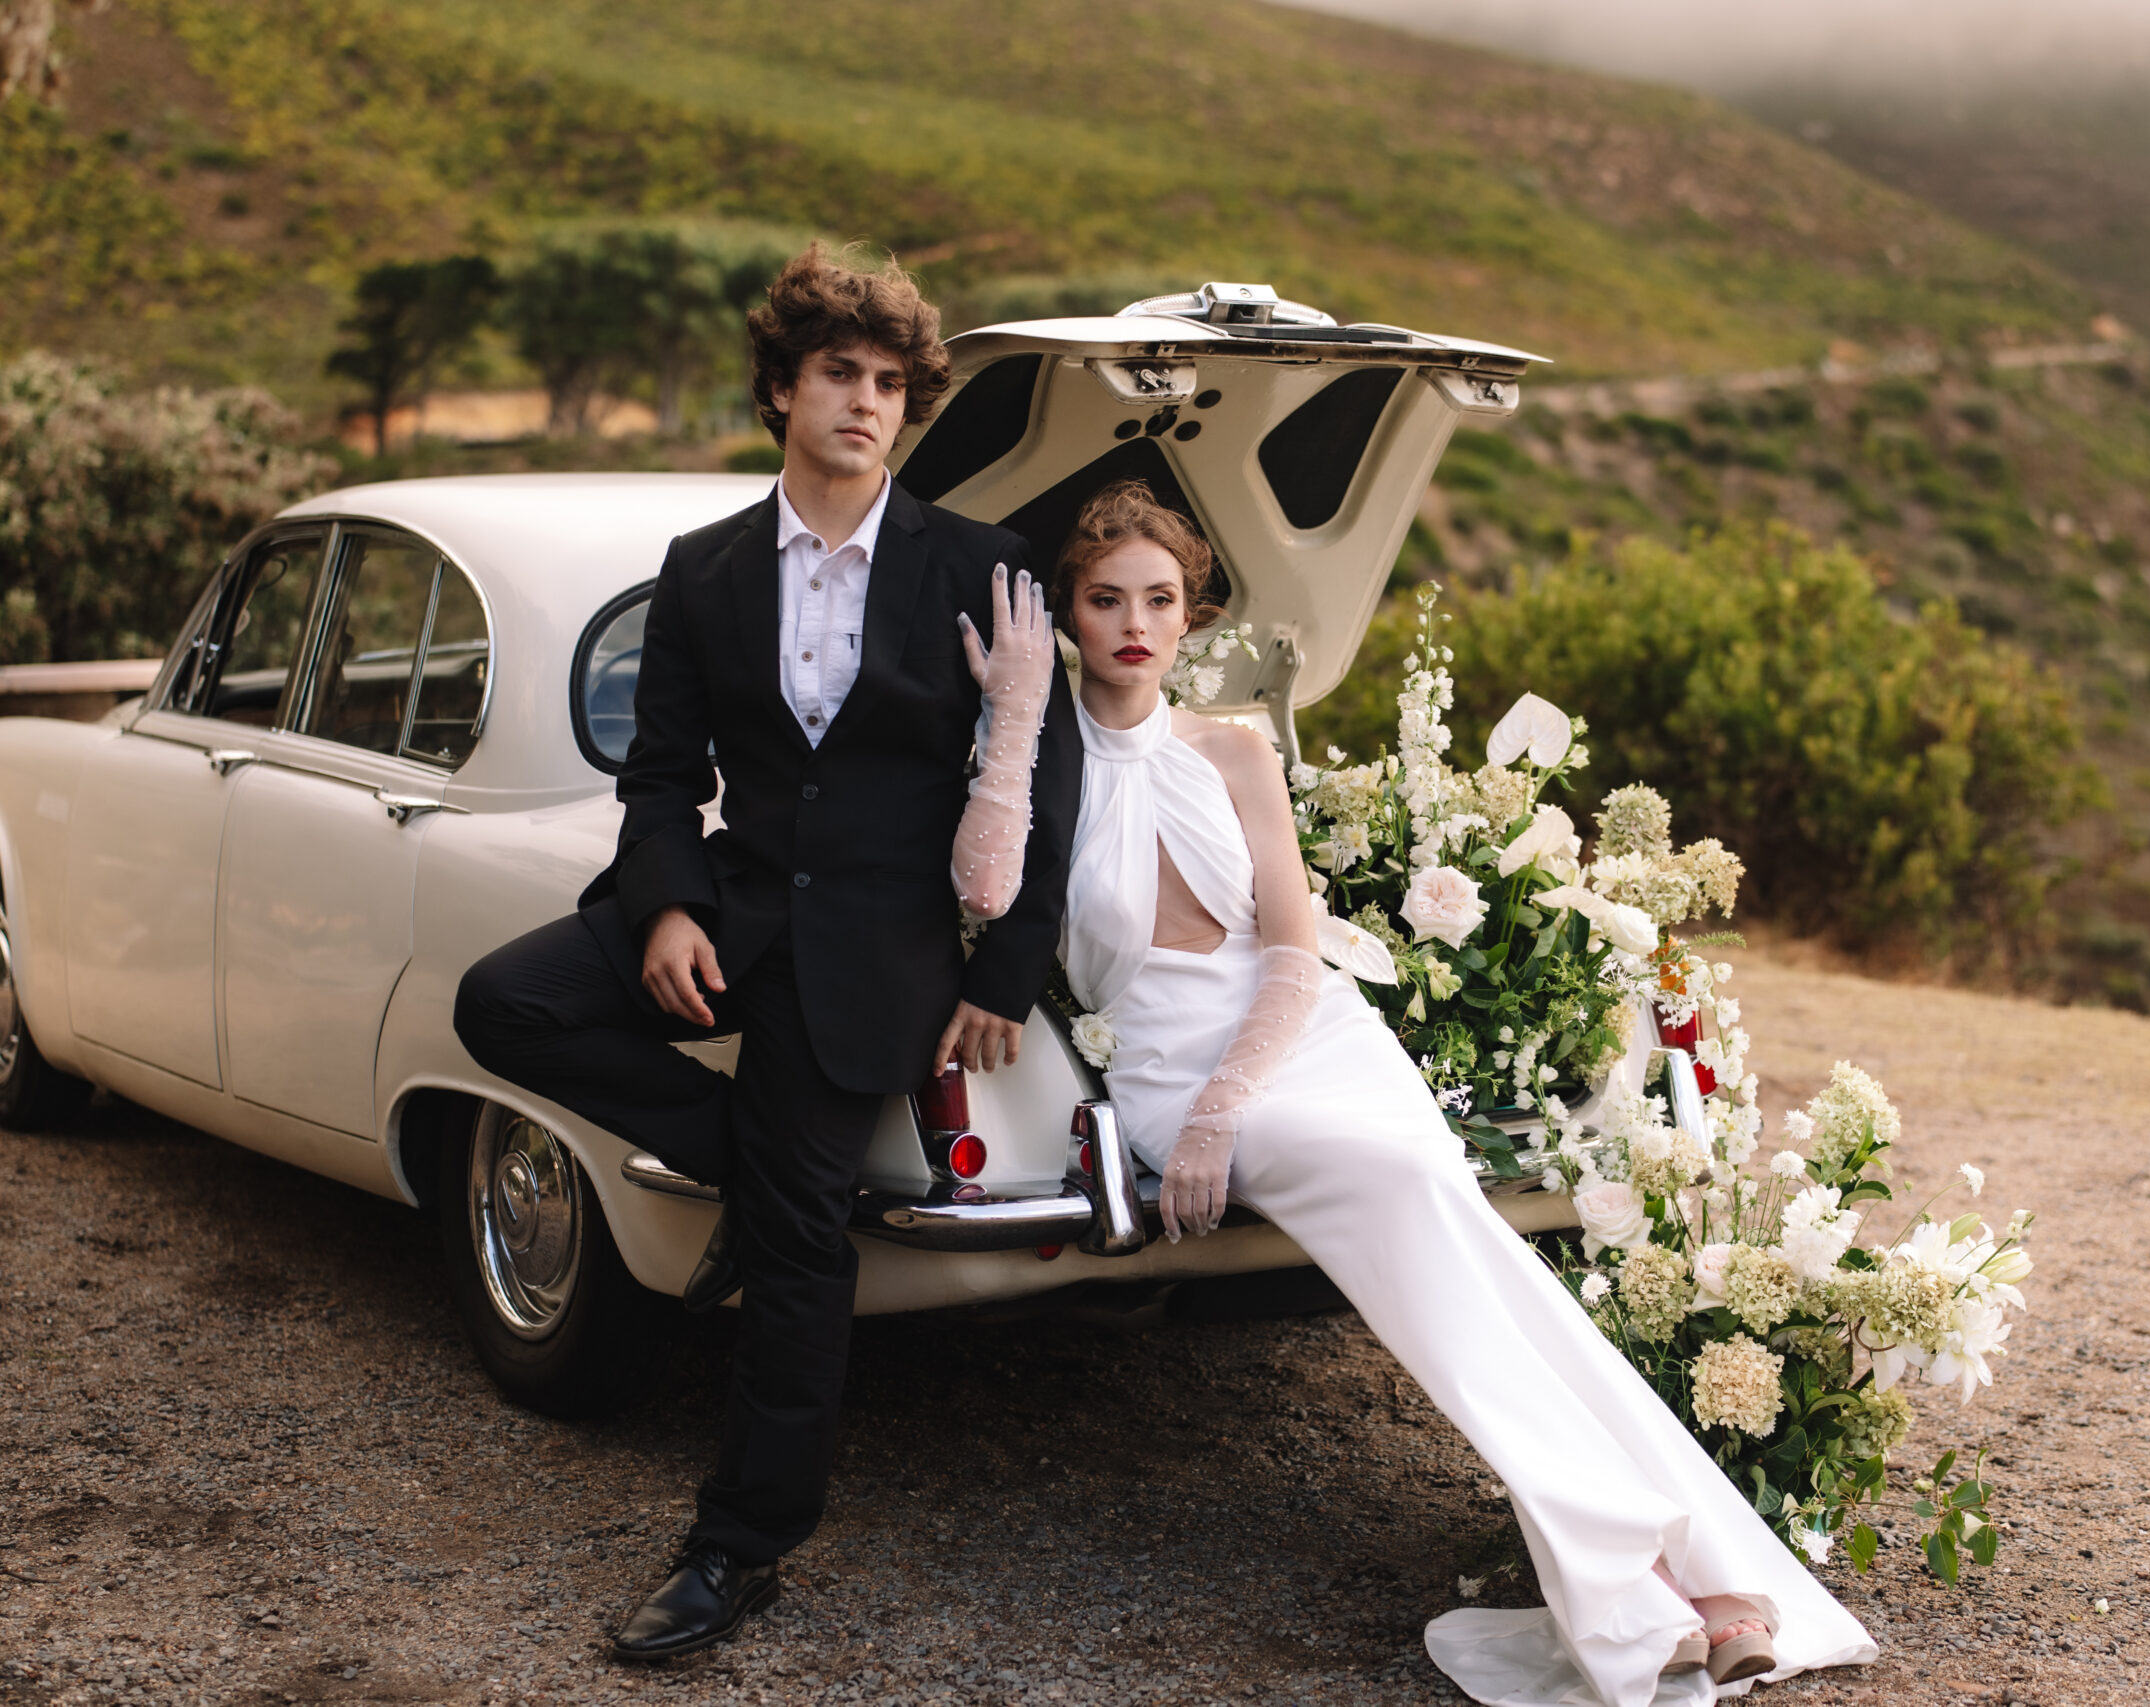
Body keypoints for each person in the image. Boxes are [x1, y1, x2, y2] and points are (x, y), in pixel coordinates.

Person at [1039, 480, 1876, 1707]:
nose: (1132, 622)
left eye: (1158, 599)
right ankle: (1657, 1578)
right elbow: (987, 885)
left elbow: (1287, 949)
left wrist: (1231, 1104)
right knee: (1412, 1203)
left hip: (1305, 1040)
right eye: (1104, 598)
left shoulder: (1232, 752)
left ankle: (1671, 1581)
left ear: (1192, 614)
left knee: (1460, 1226)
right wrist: (1012, 708)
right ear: (1066, 610)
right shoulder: (1034, 767)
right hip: (1165, 1066)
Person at [452, 246, 1075, 1662]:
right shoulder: (704, 568)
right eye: (841, 374)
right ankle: (753, 1144)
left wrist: (1002, 971)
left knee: (801, 1242)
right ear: (783, 387)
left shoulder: (982, 566)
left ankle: (739, 1545)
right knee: (505, 1003)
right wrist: (665, 904)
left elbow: (1048, 787)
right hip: (729, 903)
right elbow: (662, 773)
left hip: (881, 939)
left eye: (891, 382)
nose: (869, 400)